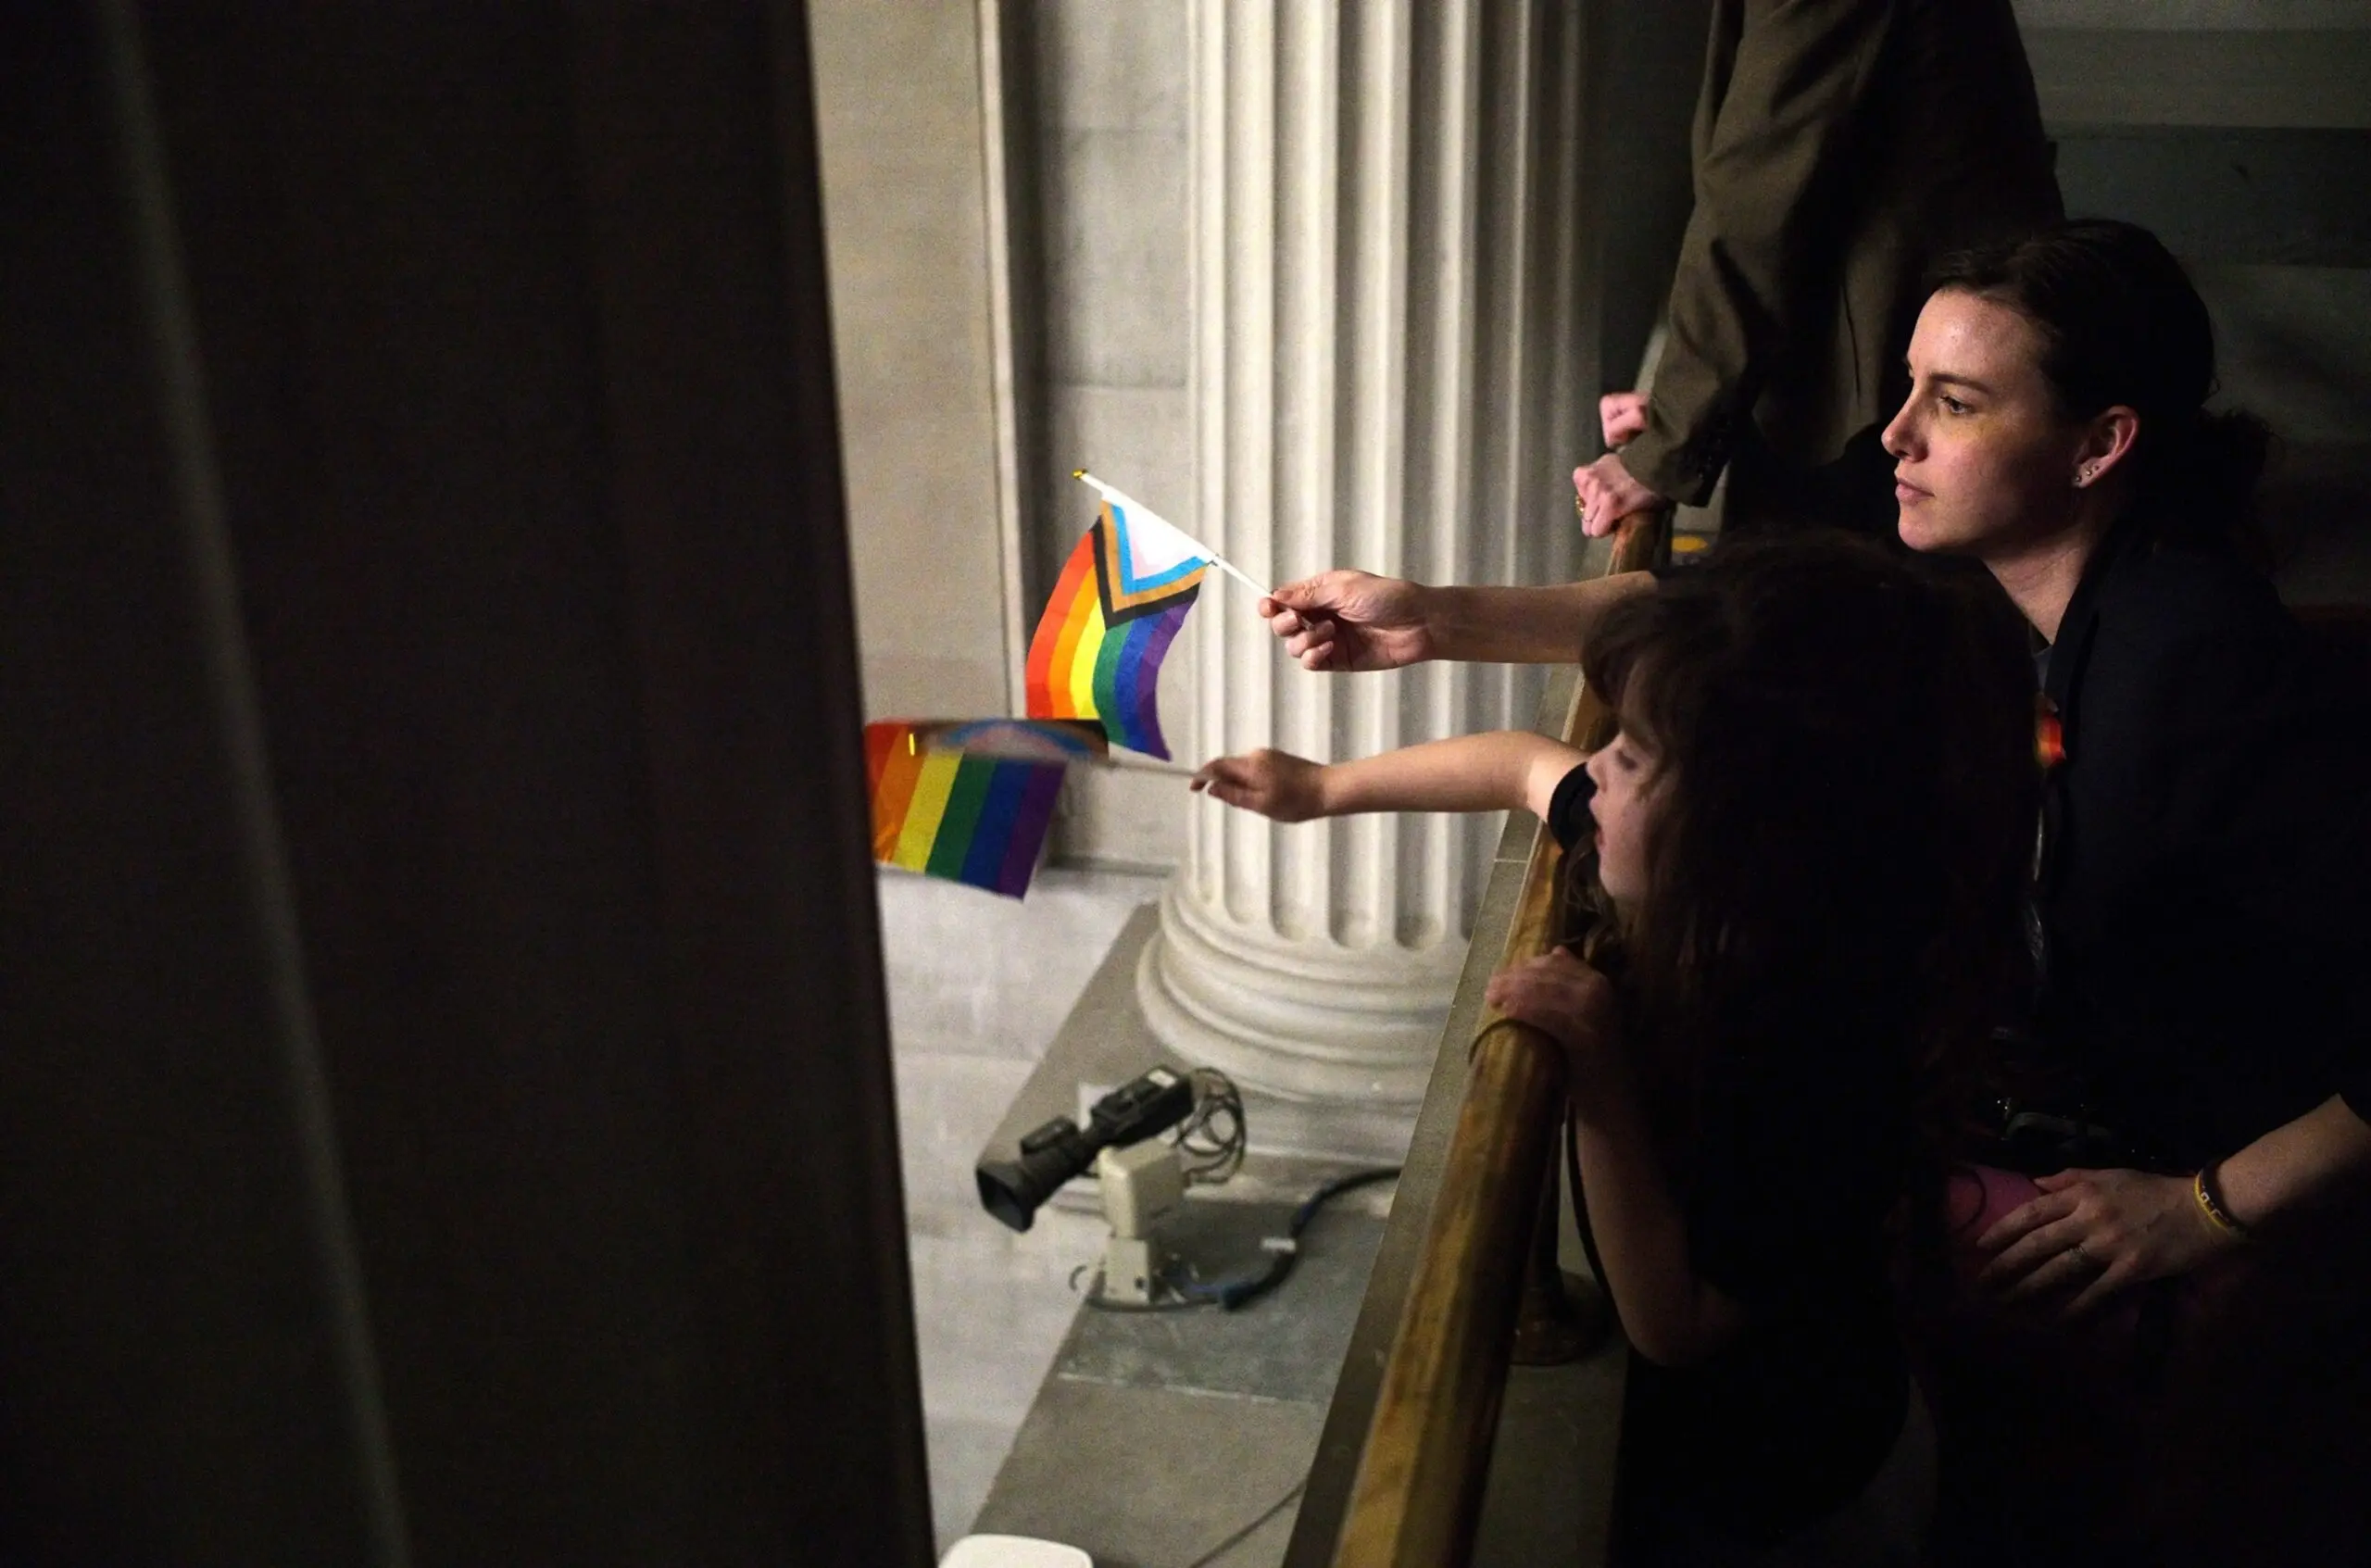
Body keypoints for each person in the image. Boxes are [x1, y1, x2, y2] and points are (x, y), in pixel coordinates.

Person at [1259, 219, 2371, 1562]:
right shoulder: (1986, 577)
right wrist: (1437, 616)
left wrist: (2206, 1206)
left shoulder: (2196, 659)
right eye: (1907, 385)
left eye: (1953, 404)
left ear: (2100, 445)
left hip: (2203, 1248)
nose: (1893, 435)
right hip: (2032, 1183)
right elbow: (1730, 625)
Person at [1197, 537, 2039, 1565]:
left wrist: (1595, 1072)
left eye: (1631, 753)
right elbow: (1519, 763)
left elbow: (1676, 1320)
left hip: (1800, 1495)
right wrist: (1322, 789)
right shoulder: (1736, 885)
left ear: (1745, 820)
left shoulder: (1807, 1035)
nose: (1592, 764)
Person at [1572, 0, 2060, 541]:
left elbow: (1752, 202)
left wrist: (1670, 440)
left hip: (1883, 412)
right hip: (1886, 386)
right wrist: (1689, 405)